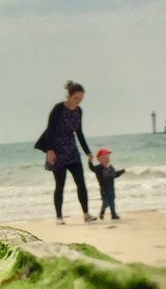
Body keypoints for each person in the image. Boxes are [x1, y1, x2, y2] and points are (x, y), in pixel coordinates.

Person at [34, 81, 97, 224]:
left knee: (81, 183)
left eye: (81, 99)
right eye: (76, 98)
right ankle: (59, 217)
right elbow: (49, 130)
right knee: (60, 185)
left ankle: (86, 214)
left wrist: (88, 152)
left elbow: (79, 132)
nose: (78, 101)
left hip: (72, 151)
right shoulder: (58, 109)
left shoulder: (79, 111)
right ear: (69, 96)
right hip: (57, 152)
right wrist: (49, 151)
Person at [90, 148, 125, 220]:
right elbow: (92, 168)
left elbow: (115, 175)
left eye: (108, 156)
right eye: (105, 157)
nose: (107, 158)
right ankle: (102, 212)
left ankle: (113, 215)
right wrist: (90, 161)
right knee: (106, 203)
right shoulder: (98, 168)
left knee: (112, 202)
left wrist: (122, 171)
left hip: (111, 189)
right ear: (99, 159)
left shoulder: (111, 167)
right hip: (104, 190)